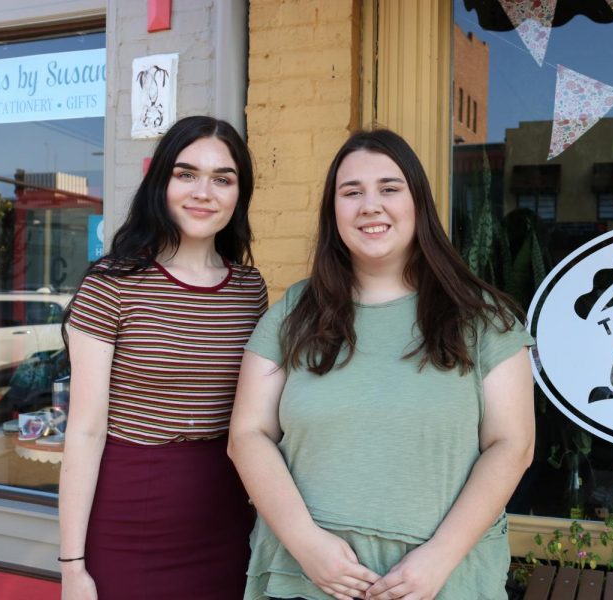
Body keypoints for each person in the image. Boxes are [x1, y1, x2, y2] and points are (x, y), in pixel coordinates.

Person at [229, 129, 535, 600]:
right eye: (351, 192)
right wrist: (307, 545)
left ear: (418, 203)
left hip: (442, 582)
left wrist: (439, 558)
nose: (370, 205)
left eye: (389, 188)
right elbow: (248, 434)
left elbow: (512, 445)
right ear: (334, 211)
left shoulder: (482, 318)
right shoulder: (295, 312)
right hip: (304, 579)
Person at [58, 115, 268, 600]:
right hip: (129, 514)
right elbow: (85, 430)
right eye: (186, 173)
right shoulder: (111, 284)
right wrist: (71, 566)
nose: (204, 191)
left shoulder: (249, 291)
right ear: (161, 183)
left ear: (240, 194)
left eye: (223, 179)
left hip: (225, 515)